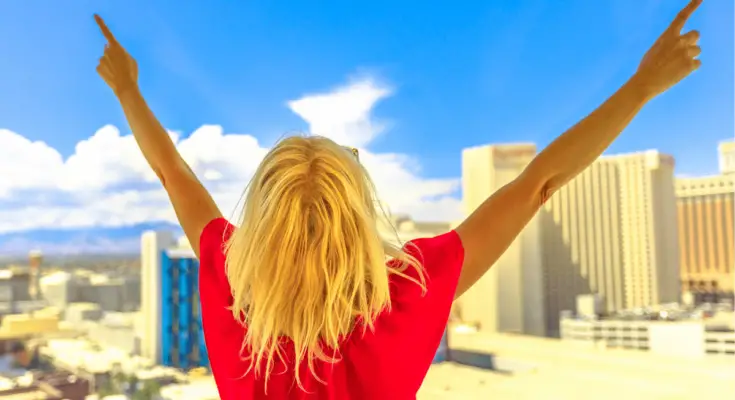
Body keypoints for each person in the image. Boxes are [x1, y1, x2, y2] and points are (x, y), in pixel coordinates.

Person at [92, 0, 702, 397]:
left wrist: (127, 89)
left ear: (264, 212)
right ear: (358, 211)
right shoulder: (409, 289)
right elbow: (537, 184)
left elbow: (171, 171)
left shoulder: (230, 275)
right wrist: (644, 85)